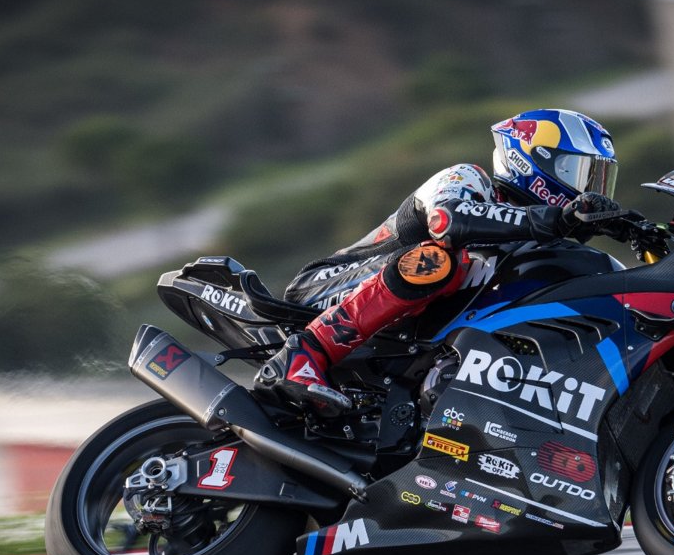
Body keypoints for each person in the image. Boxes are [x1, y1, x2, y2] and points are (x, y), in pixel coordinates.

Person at [255, 108, 622, 415]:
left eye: (599, 180)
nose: (588, 190)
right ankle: (305, 353)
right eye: (579, 173)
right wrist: (557, 218)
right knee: (439, 259)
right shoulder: (468, 179)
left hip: (400, 333)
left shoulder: (534, 242)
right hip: (325, 287)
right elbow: (447, 222)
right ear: (531, 160)